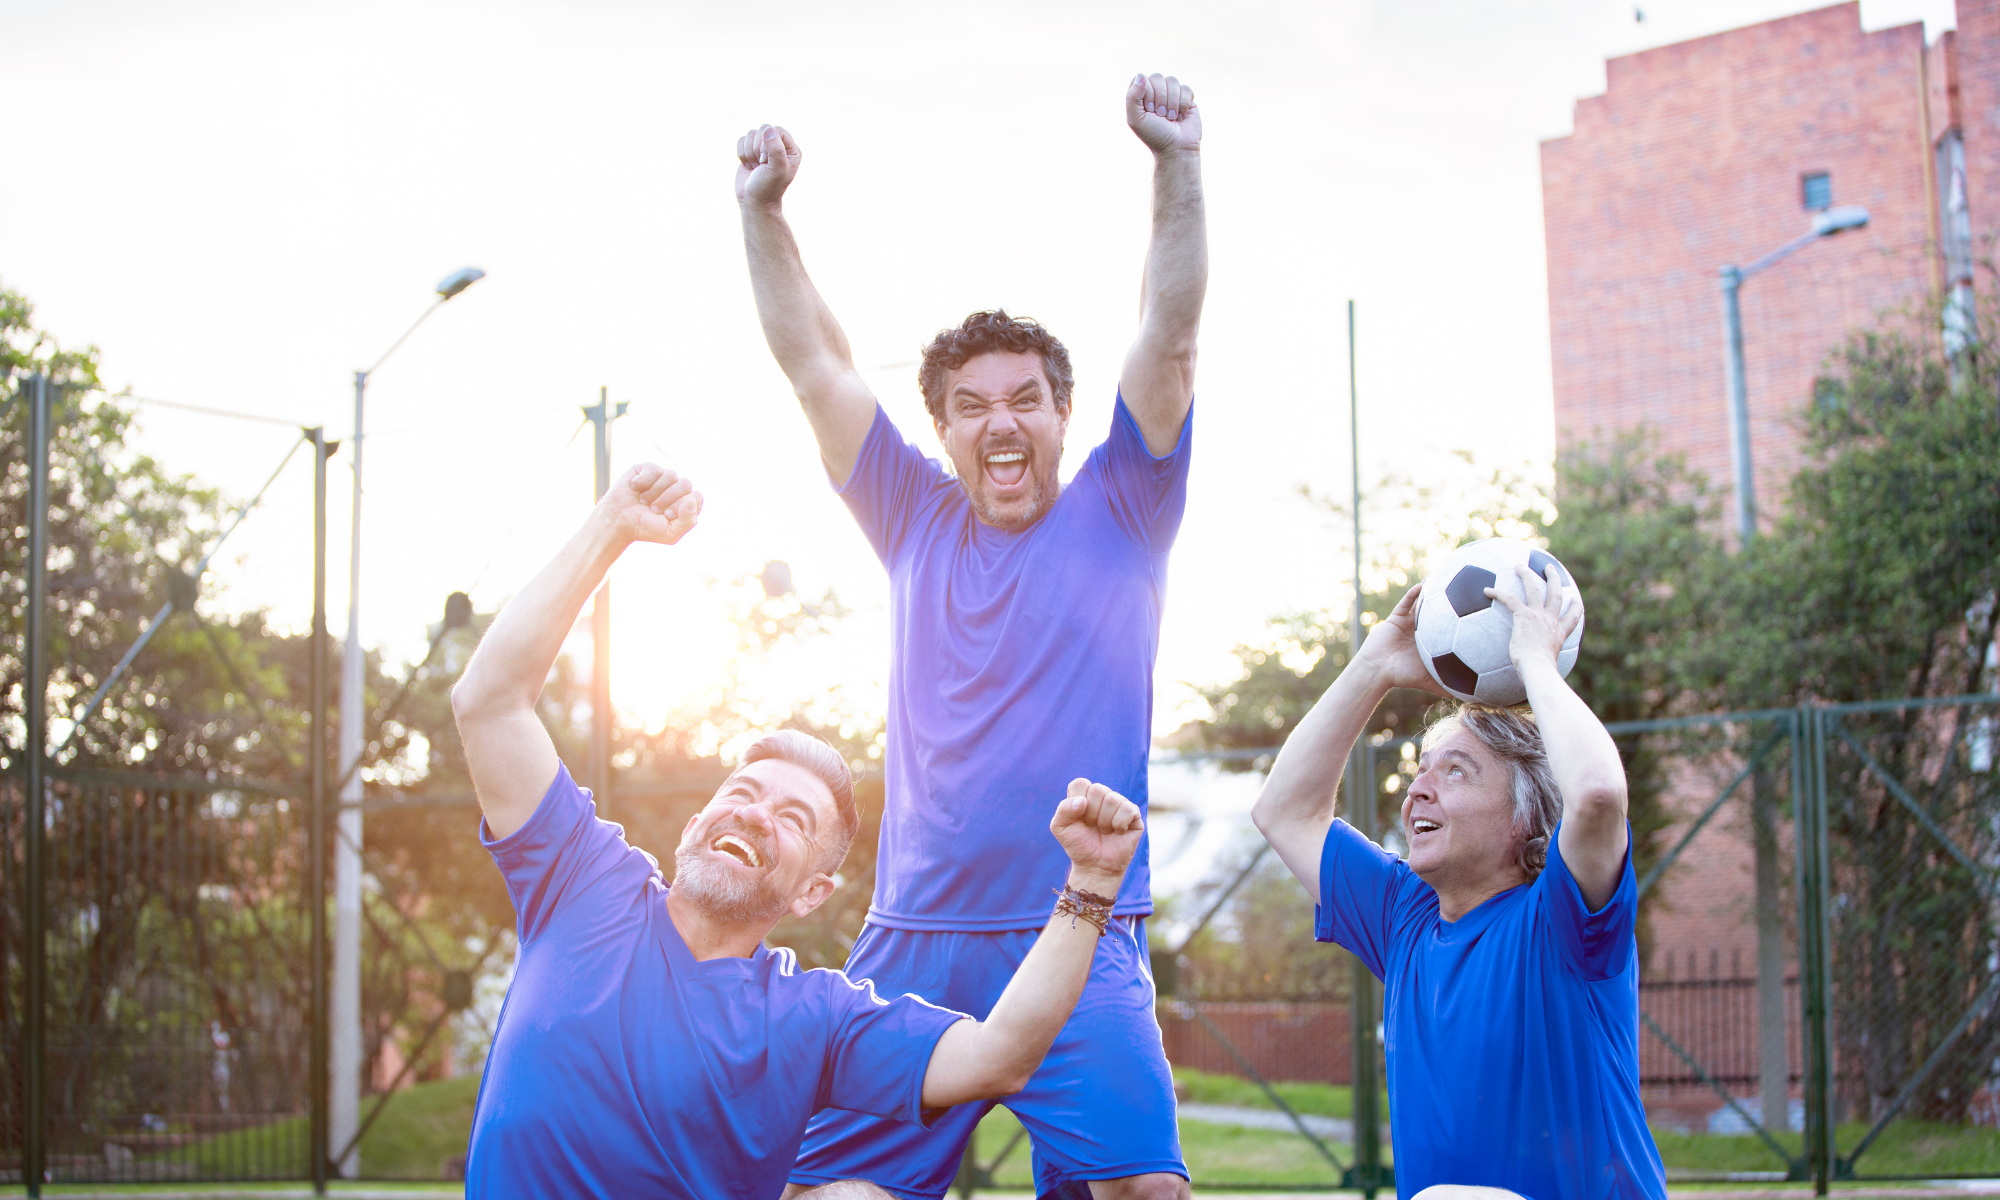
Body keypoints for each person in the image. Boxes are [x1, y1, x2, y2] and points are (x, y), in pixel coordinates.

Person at [735, 71, 1207, 1200]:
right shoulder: (910, 519)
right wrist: (762, 213)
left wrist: (1176, 165)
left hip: (1079, 934)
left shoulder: (1124, 508)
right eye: (974, 405)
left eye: (1025, 398)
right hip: (915, 943)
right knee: (835, 1198)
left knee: (1141, 1192)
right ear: (942, 429)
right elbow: (816, 364)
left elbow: (1170, 336)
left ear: (1060, 415)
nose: (1003, 420)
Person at [451, 462, 1148, 1200]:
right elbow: (489, 702)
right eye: (744, 792)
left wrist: (1092, 886)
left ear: (813, 891)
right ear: (694, 827)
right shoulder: (586, 885)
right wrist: (612, 526)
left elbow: (997, 1055)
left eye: (791, 817)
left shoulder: (813, 1017)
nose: (754, 812)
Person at [1250, 565, 1668, 1200]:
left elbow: (1600, 794)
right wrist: (1374, 666)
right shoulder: (1404, 917)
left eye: (1457, 770)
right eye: (1422, 768)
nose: (1420, 786)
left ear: (1525, 817)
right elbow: (1283, 811)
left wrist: (1536, 665)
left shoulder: (1563, 922)